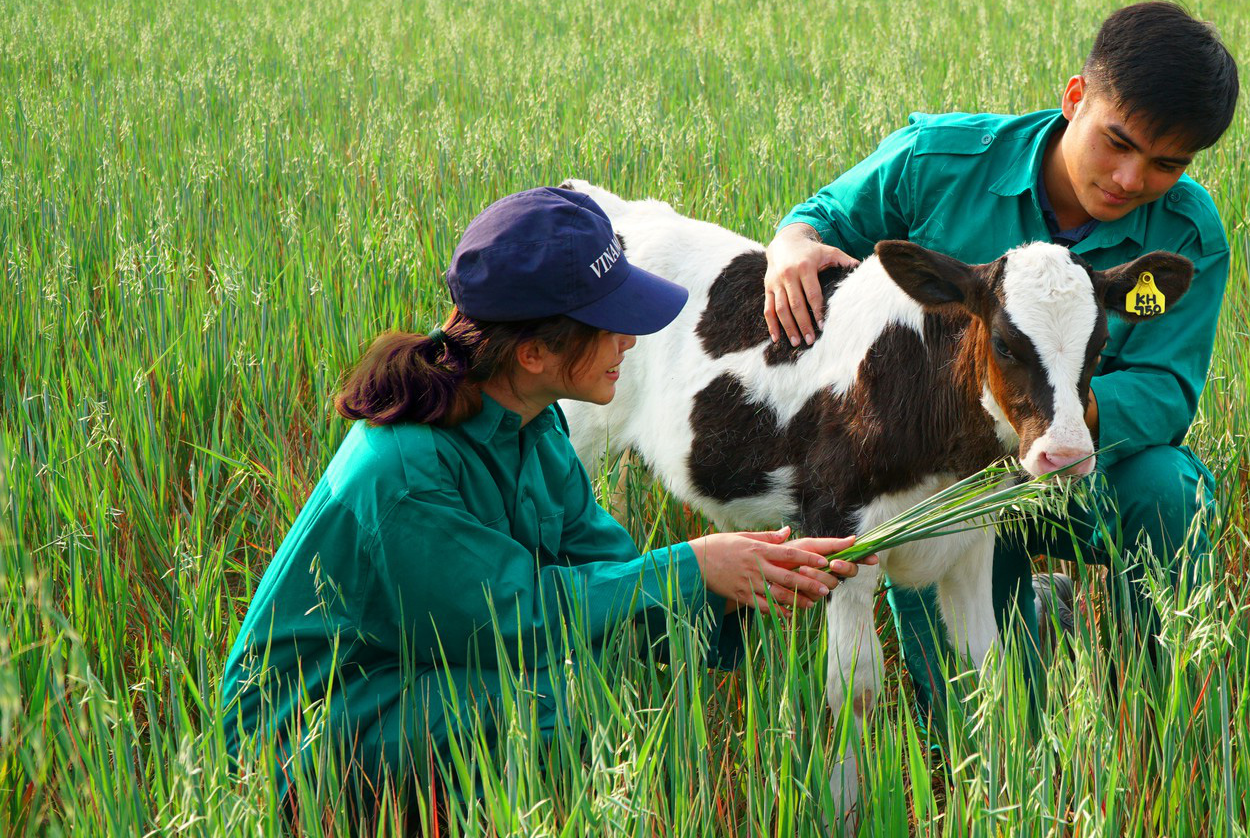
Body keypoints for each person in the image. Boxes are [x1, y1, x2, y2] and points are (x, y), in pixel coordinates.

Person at [220, 186, 867, 801]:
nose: (630, 340)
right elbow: (517, 621)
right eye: (611, 322)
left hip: (418, 670)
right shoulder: (406, 470)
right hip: (313, 715)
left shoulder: (537, 425)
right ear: (533, 352)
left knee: (612, 665)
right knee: (559, 704)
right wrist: (691, 568)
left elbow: (607, 579)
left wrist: (752, 581)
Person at [762, 0, 1236, 720]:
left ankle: (1160, 711)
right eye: (1117, 141)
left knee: (1174, 489)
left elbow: (1167, 390)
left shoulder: (1188, 235)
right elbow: (822, 220)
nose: (1131, 178)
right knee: (996, 715)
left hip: (1082, 472)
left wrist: (1056, 426)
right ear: (1076, 96)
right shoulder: (940, 162)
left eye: (1166, 164)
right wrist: (791, 243)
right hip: (948, 482)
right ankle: (1034, 619)